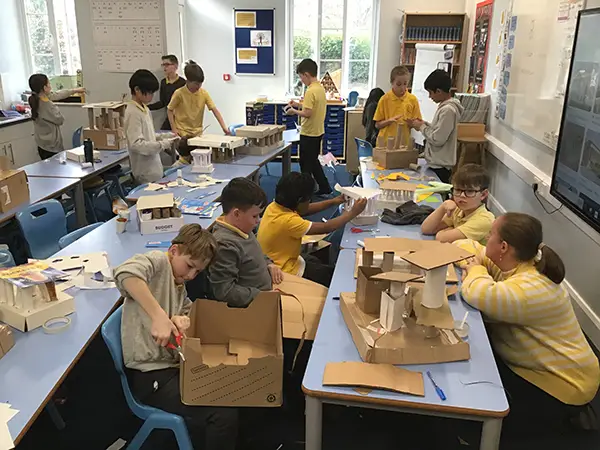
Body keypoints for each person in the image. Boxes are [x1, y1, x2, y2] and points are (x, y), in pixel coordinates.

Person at [456, 213, 599, 434]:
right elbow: (466, 246)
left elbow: (476, 293)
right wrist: (475, 265)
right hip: (537, 366)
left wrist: (475, 269)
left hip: (563, 382)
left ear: (503, 247)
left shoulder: (531, 287)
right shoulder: (514, 264)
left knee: (475, 412)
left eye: (491, 234)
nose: (486, 238)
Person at [114, 224, 238, 450]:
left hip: (172, 367)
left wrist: (182, 318)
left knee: (234, 389)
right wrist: (159, 316)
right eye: (189, 266)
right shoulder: (158, 261)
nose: (190, 275)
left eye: (197, 272)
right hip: (150, 376)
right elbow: (125, 272)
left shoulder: (178, 282)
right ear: (174, 251)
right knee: (223, 414)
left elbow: (185, 308)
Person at [257, 172, 367, 287]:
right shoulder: (288, 221)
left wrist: (334, 201)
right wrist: (353, 212)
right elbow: (326, 227)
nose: (310, 203)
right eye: (309, 199)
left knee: (316, 261)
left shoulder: (275, 206)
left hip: (283, 259)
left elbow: (305, 209)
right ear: (300, 200)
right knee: (333, 276)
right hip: (285, 271)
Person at [208, 178, 283, 307]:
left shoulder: (243, 228)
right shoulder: (225, 244)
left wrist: (268, 264)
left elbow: (254, 252)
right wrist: (261, 296)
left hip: (266, 294)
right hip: (253, 307)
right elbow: (224, 291)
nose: (258, 220)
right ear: (237, 214)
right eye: (255, 216)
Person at [406, 69, 464, 183]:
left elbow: (437, 139)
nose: (429, 97)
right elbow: (437, 130)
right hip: (436, 164)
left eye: (430, 93)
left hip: (440, 167)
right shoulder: (444, 108)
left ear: (438, 91)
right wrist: (423, 124)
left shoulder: (448, 110)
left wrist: (421, 127)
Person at [123, 69, 179, 184]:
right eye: (149, 92)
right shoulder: (133, 112)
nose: (152, 96)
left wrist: (165, 136)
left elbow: (148, 136)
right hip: (144, 171)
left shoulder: (144, 109)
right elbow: (137, 144)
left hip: (154, 168)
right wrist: (163, 144)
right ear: (137, 90)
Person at [286, 59, 332, 195]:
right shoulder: (320, 88)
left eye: (301, 77)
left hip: (309, 133)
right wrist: (297, 104)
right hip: (318, 131)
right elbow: (311, 107)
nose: (301, 80)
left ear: (306, 74)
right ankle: (324, 187)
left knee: (305, 165)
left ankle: (306, 194)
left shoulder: (310, 91)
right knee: (313, 162)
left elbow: (307, 113)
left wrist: (293, 111)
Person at [421, 163, 494, 244]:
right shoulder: (458, 210)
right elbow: (426, 229)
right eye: (458, 190)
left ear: (483, 195)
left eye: (470, 191)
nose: (462, 195)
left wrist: (448, 230)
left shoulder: (484, 220)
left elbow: (441, 239)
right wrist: (443, 207)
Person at [28, 74, 86, 160]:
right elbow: (60, 120)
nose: (50, 86)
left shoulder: (38, 99)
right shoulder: (47, 105)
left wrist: (75, 90)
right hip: (52, 146)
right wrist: (55, 107)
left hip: (41, 144)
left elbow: (58, 94)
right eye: (48, 83)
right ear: (44, 88)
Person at [167, 60, 229, 138]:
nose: (198, 86)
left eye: (200, 84)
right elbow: (169, 110)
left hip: (197, 133)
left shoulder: (204, 93)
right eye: (196, 84)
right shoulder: (179, 93)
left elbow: (215, 110)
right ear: (187, 81)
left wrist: (224, 128)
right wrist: (174, 129)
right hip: (182, 133)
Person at [373, 66, 422, 148]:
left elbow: (418, 127)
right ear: (392, 83)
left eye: (405, 84)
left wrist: (412, 123)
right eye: (398, 84)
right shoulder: (384, 99)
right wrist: (389, 121)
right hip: (385, 144)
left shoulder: (412, 100)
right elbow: (377, 125)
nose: (402, 88)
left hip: (403, 144)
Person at [148, 54, 186, 130]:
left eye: (167, 64)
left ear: (175, 66)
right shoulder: (163, 82)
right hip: (169, 117)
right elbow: (162, 102)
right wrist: (147, 107)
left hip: (181, 119)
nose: (164, 67)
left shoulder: (183, 82)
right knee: (162, 133)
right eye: (163, 65)